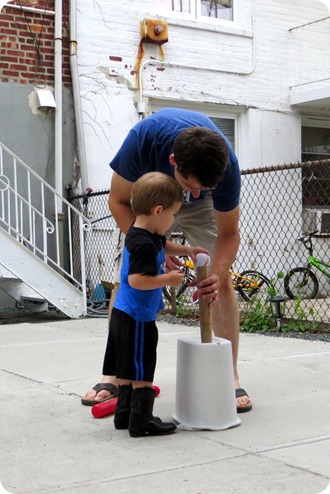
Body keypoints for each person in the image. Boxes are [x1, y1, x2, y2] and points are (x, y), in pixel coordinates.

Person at [81, 107, 252, 413]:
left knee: (221, 281)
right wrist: (154, 251)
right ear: (173, 160)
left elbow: (229, 234)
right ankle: (118, 375)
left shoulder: (225, 167)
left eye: (205, 189)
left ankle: (229, 374)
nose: (196, 195)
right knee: (129, 279)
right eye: (191, 188)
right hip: (152, 195)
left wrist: (215, 272)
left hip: (187, 183)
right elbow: (119, 202)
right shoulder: (144, 139)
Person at [106, 172, 211, 437]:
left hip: (125, 313)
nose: (173, 219)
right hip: (137, 317)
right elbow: (137, 280)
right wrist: (169, 279)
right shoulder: (141, 242)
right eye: (173, 214)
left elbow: (163, 245)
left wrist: (186, 250)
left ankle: (124, 415)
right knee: (142, 367)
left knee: (127, 368)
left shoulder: (144, 232)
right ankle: (141, 422)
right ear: (158, 210)